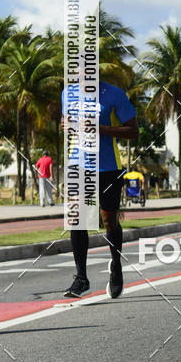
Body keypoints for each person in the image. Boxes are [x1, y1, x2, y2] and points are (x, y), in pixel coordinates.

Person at [62, 81, 139, 299]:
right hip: (78, 164)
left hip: (108, 166)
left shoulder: (114, 93)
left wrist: (100, 129)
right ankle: (81, 278)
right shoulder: (67, 93)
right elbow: (67, 122)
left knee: (109, 221)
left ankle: (116, 265)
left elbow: (133, 131)